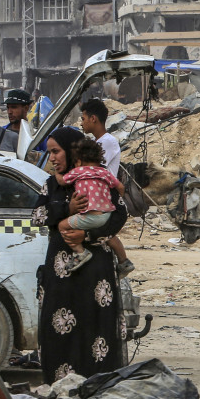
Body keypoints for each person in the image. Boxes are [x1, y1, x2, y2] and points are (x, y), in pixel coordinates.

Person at [32, 126, 129, 383]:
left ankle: (98, 388)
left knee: (96, 329)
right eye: (49, 152)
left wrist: (86, 237)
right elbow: (38, 216)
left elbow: (119, 214)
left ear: (73, 152)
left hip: (95, 272)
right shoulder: (52, 185)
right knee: (60, 332)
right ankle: (61, 389)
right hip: (61, 274)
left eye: (56, 151)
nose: (52, 158)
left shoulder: (98, 178)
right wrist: (67, 207)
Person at [80, 99, 132, 275]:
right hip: (99, 192)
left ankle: (124, 262)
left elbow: (97, 168)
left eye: (83, 118)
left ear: (93, 118)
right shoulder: (99, 141)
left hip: (104, 193)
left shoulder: (107, 142)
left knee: (102, 232)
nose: (82, 123)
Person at [58, 139, 123, 273]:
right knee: (111, 237)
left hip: (89, 216)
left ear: (79, 161)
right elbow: (121, 187)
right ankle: (124, 260)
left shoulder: (79, 171)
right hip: (106, 215)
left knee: (62, 226)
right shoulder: (104, 173)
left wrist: (56, 173)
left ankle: (80, 251)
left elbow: (62, 182)